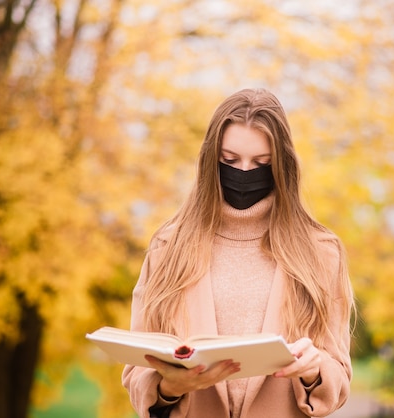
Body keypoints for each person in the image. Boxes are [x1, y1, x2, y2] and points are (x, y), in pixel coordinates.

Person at [122, 88, 355, 418]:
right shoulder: (167, 248)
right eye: (229, 161)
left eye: (262, 163)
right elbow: (136, 374)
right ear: (210, 160)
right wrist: (170, 387)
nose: (244, 172)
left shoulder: (320, 252)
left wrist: (314, 370)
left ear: (281, 165)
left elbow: (339, 378)